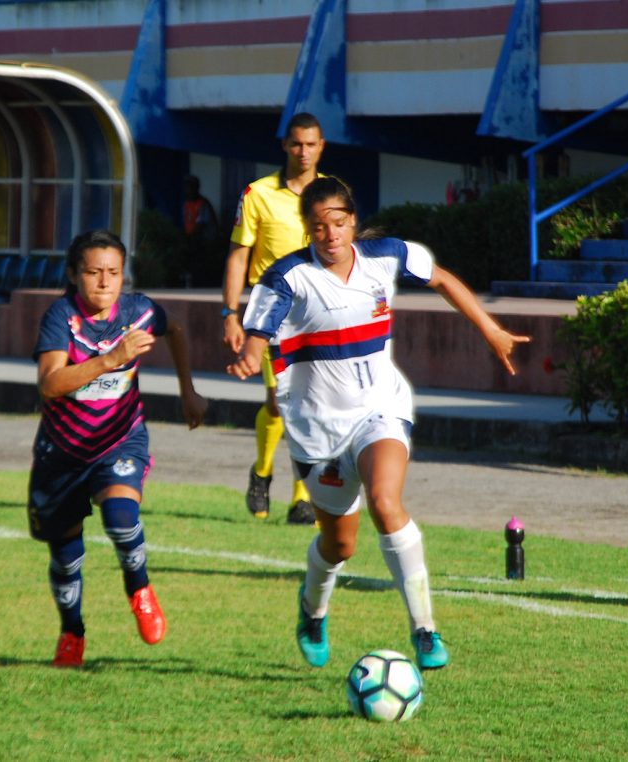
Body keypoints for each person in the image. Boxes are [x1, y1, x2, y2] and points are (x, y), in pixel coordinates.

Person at [227, 176, 530, 670]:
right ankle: (312, 612)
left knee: (387, 505)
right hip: (317, 428)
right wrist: (249, 353)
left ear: (353, 221)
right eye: (318, 226)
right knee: (339, 545)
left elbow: (441, 278)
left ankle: (425, 630)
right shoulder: (286, 277)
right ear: (307, 229)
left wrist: (490, 329)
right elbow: (258, 331)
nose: (330, 235)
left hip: (379, 409)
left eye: (339, 223)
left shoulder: (386, 255)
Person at [28, 229, 208, 668]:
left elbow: (175, 328)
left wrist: (188, 390)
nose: (105, 281)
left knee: (121, 516)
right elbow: (50, 383)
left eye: (114, 272)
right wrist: (111, 359)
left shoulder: (138, 311)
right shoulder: (61, 317)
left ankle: (139, 588)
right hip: (62, 453)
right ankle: (72, 633)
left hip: (119, 439)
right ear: (74, 274)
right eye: (94, 272)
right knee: (66, 558)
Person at [222, 112, 326, 524]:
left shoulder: (332, 193)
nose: (303, 151)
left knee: (312, 403)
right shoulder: (257, 193)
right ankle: (262, 471)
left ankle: (302, 497)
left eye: (311, 144)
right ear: (285, 145)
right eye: (296, 143)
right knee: (280, 400)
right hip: (271, 312)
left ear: (321, 147)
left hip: (319, 312)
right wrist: (230, 313)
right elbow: (238, 255)